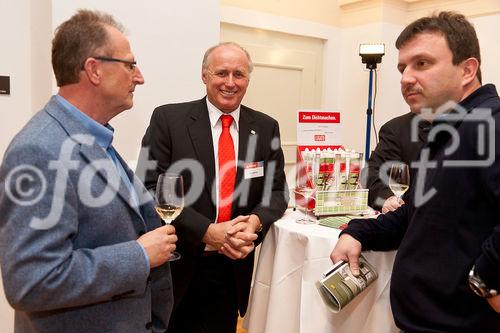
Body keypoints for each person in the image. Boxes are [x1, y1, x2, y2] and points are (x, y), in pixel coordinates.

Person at [0, 10, 177, 333]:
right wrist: (138, 255)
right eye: (129, 64)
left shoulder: (94, 136)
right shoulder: (40, 150)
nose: (139, 77)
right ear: (94, 69)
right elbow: (32, 281)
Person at [331, 11, 500, 331]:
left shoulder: (490, 124)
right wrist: (358, 231)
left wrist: (485, 279)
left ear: (467, 69)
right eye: (402, 67)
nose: (406, 77)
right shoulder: (445, 131)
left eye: (422, 63)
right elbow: (415, 212)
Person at [138, 42, 289, 333]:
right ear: (204, 75)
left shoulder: (266, 126)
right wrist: (208, 231)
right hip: (178, 266)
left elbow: (278, 191)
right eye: (221, 73)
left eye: (239, 74)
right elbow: (149, 185)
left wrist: (254, 224)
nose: (230, 83)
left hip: (232, 269)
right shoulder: (169, 120)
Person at [363, 111, 431, 213]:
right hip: (412, 218)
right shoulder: (396, 129)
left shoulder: (462, 126)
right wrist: (387, 199)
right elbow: (371, 173)